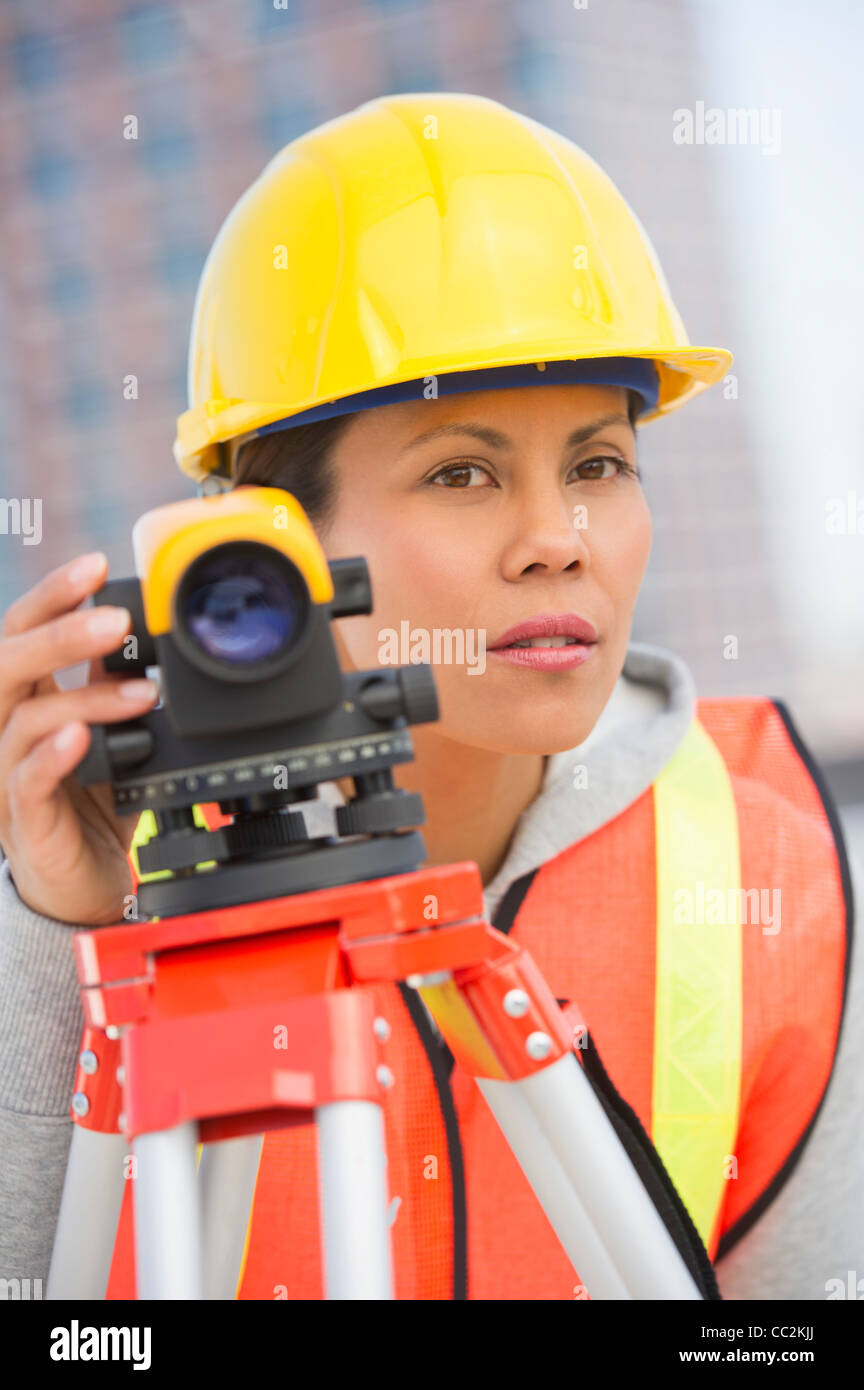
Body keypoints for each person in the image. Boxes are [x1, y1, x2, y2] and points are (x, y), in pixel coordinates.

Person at [0, 93, 860, 1301]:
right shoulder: (116, 874)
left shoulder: (769, 857)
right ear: (269, 543)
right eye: (462, 471)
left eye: (599, 464)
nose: (559, 541)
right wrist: (58, 933)